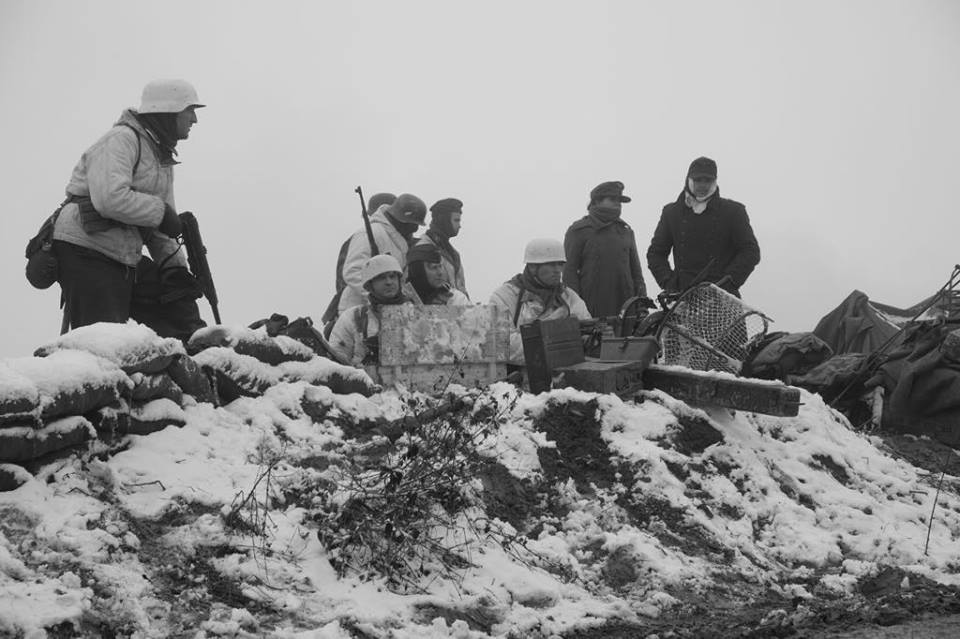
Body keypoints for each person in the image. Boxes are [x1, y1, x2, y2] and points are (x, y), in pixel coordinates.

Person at [51, 79, 205, 335]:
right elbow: (110, 199)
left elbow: (160, 227)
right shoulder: (121, 140)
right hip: (87, 250)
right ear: (170, 110)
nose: (194, 119)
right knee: (104, 339)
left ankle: (198, 349)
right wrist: (160, 213)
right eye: (190, 110)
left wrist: (176, 270)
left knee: (176, 308)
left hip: (123, 254)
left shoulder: (161, 158)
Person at [646, 157, 760, 298]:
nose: (702, 185)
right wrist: (669, 282)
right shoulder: (671, 212)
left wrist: (728, 282)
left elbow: (750, 251)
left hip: (722, 298)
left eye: (707, 180)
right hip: (682, 297)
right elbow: (655, 253)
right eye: (698, 180)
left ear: (714, 182)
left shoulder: (733, 211)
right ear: (689, 180)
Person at [490, 238, 591, 361]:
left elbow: (587, 327)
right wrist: (553, 341)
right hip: (520, 370)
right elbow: (501, 343)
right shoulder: (504, 297)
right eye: (551, 264)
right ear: (533, 267)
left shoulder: (569, 296)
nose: (557, 270)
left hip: (566, 367)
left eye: (560, 264)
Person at [563, 180, 647, 317]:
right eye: (612, 199)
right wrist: (575, 307)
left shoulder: (626, 231)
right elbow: (569, 272)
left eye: (619, 200)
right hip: (591, 308)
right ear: (597, 201)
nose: (618, 203)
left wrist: (642, 303)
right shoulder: (579, 230)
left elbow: (636, 272)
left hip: (626, 307)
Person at [338, 193, 426, 314]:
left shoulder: (400, 241)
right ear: (401, 220)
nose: (414, 230)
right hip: (359, 310)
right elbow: (353, 272)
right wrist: (377, 296)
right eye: (412, 225)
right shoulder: (370, 234)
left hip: (389, 311)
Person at [329, 254, 413, 366]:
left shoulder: (417, 315)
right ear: (369, 285)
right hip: (365, 376)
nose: (389, 282)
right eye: (381, 278)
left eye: (392, 276)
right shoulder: (353, 317)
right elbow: (336, 360)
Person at [416, 197, 468, 297]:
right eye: (456, 220)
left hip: (457, 305)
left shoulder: (454, 254)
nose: (459, 226)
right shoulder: (423, 248)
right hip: (436, 306)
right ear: (444, 220)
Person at [403, 243, 470, 306]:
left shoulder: (455, 299)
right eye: (434, 267)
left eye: (440, 266)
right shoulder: (402, 300)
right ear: (419, 272)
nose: (440, 272)